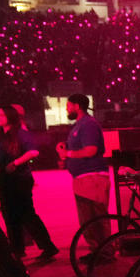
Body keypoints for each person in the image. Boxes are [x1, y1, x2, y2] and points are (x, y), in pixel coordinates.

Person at [0, 106, 59, 259]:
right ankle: (17, 249)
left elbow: (33, 152)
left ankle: (47, 246)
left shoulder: (21, 134)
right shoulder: (2, 136)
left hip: (18, 179)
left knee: (26, 214)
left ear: (10, 116)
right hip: (4, 179)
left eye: (2, 115)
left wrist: (16, 163)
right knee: (10, 216)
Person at [55, 93, 109, 260]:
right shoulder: (80, 125)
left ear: (77, 106)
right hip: (83, 178)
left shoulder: (88, 124)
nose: (66, 108)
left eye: (68, 105)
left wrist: (68, 153)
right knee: (87, 219)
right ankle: (98, 252)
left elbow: (91, 150)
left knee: (96, 218)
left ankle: (105, 253)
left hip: (92, 177)